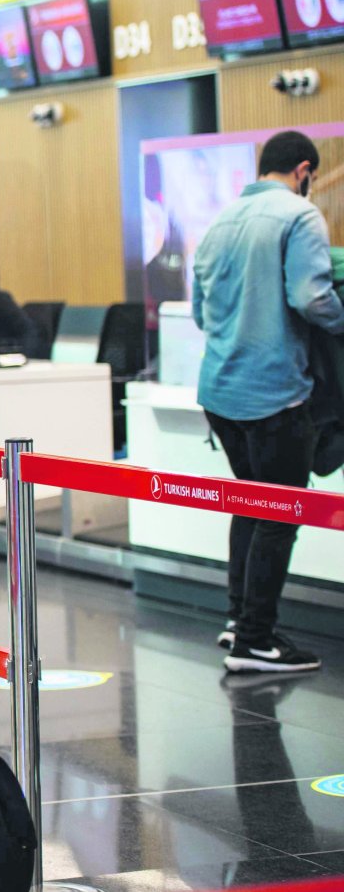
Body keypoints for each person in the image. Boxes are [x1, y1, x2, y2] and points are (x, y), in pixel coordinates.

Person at [193, 130, 342, 674]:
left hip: (221, 392)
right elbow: (311, 296)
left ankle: (239, 621)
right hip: (275, 393)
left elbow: (202, 314)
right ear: (303, 170)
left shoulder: (220, 221)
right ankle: (256, 640)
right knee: (280, 513)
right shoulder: (299, 217)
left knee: (250, 505)